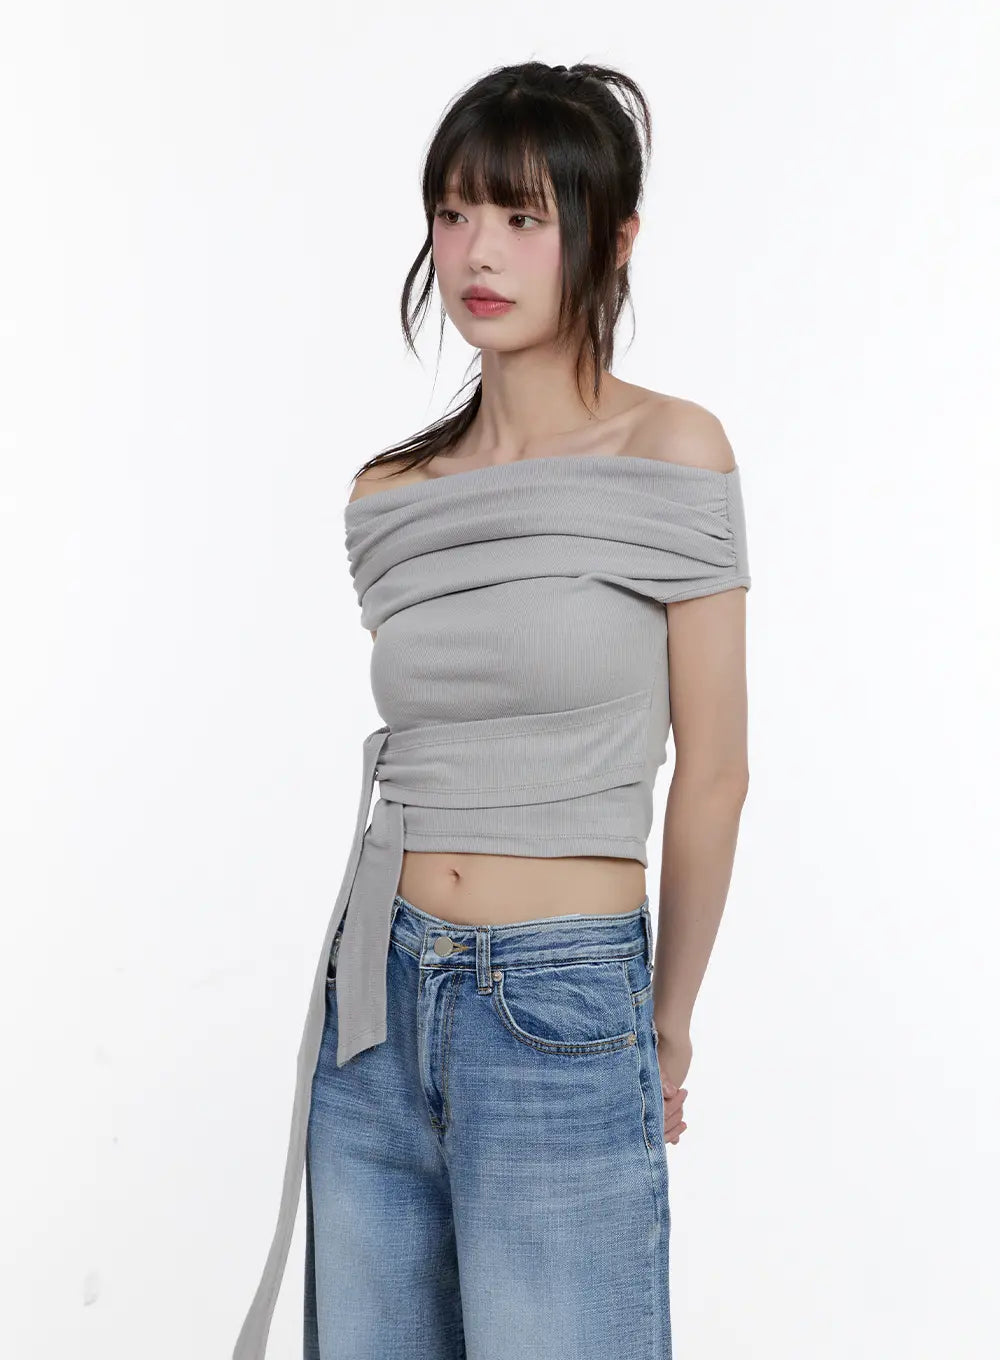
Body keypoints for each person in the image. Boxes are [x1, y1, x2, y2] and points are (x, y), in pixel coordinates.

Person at [233, 60, 751, 1360]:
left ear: (615, 239)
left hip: (562, 999)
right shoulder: (390, 495)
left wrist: (665, 1023)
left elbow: (715, 770)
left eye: (526, 217)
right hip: (374, 1003)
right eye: (457, 211)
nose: (479, 252)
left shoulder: (673, 453)